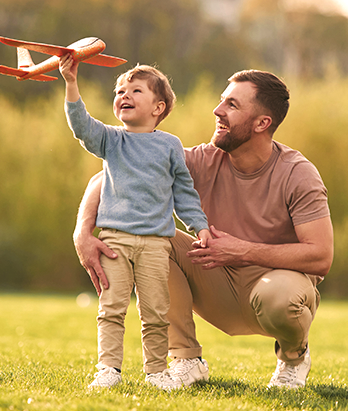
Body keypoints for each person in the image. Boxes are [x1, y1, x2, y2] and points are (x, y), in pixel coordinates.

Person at [73, 69, 334, 389]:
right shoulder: (202, 159)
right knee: (156, 241)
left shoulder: (297, 173)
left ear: (261, 123)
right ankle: (186, 359)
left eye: (232, 105)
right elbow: (107, 178)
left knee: (278, 297)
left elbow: (320, 256)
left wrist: (242, 249)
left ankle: (293, 358)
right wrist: (83, 233)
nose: (218, 110)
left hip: (275, 288)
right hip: (216, 280)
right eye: (222, 101)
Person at [59, 55, 211, 391]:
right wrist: (71, 83)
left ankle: (157, 371)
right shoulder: (112, 140)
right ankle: (108, 370)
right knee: (111, 308)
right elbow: (81, 126)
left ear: (158, 107)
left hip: (157, 244)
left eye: (135, 90)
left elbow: (184, 193)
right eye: (119, 91)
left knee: (156, 312)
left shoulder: (170, 146)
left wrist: (199, 226)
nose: (123, 95)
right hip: (114, 241)